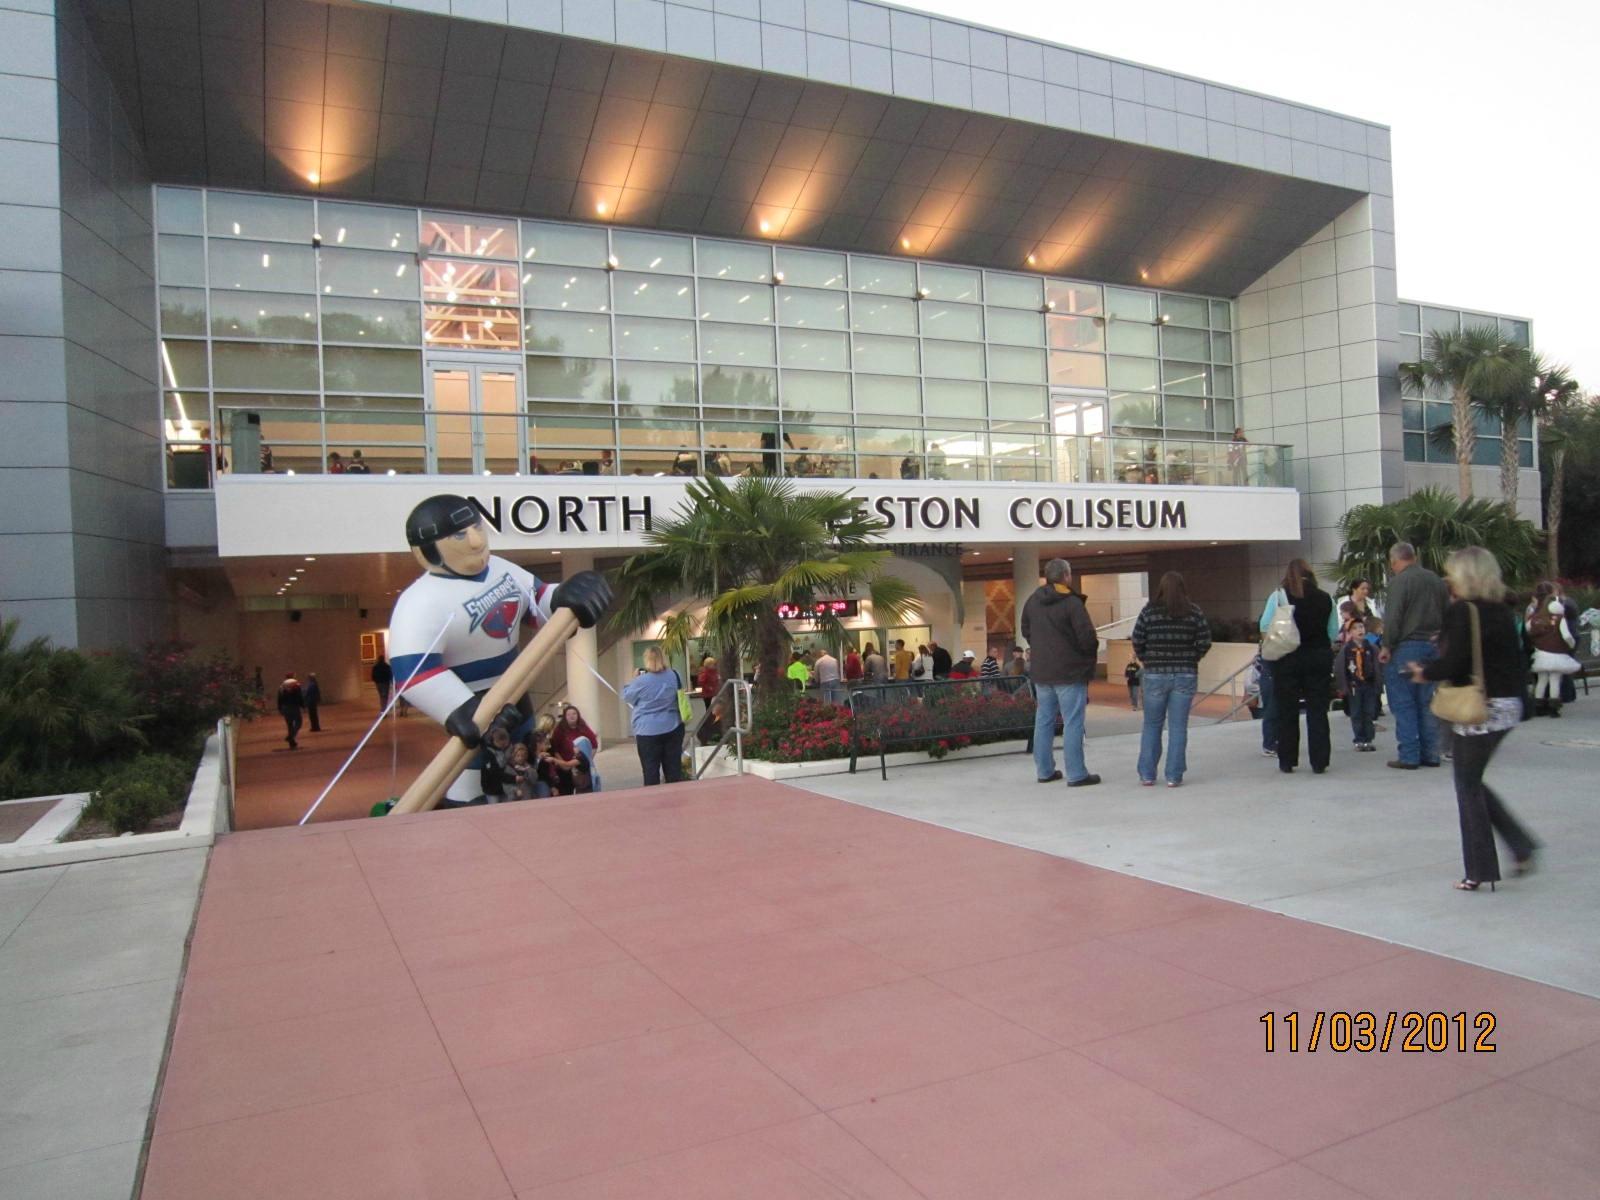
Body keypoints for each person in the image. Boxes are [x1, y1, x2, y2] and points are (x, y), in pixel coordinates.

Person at [388, 494, 611, 807]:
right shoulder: (419, 603)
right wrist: (463, 708)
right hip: (473, 701)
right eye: (459, 535)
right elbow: (413, 671)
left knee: (525, 754)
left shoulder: (500, 569)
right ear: (427, 549)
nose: (477, 541)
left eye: (477, 526)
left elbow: (537, 602)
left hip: (514, 691)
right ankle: (465, 807)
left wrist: (566, 596)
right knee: (476, 769)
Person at [1409, 546, 1538, 891]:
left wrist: (1424, 672)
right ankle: (1520, 845)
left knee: (1466, 785)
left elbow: (1456, 664)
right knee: (1473, 781)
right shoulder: (1500, 610)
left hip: (1479, 708)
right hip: (1508, 705)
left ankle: (1480, 870)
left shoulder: (1462, 611)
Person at [1022, 558, 1100, 787]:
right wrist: (1084, 655)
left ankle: (1044, 770)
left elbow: (1026, 629)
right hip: (1069, 671)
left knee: (1044, 721)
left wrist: (1041, 648)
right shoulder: (1072, 603)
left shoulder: (1033, 601)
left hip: (1042, 671)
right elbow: (1086, 637)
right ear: (1067, 575)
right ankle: (1076, 773)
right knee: (1073, 722)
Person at [1130, 571, 1212, 787]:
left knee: (1152, 725)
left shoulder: (1149, 611)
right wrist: (1192, 657)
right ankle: (1174, 775)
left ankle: (1147, 774)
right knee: (1178, 726)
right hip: (1185, 673)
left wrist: (1147, 659)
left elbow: (1137, 639)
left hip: (1155, 673)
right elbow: (1205, 640)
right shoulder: (1194, 612)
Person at [1259, 559, 1339, 774]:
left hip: (1287, 659)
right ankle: (1319, 761)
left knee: (1287, 710)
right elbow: (1332, 632)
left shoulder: (1278, 596)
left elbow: (1265, 625)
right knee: (1317, 711)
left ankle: (1287, 759)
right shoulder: (1326, 598)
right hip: (1318, 658)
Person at [1380, 541, 1450, 770]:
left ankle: (1409, 754)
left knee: (1404, 702)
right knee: (1427, 701)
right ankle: (1431, 753)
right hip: (1432, 645)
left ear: (1394, 561)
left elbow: (1393, 617)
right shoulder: (1435, 580)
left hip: (1406, 646)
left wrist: (1386, 645)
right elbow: (1447, 612)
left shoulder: (1399, 582)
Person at [623, 646, 685, 786]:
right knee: (673, 771)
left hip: (647, 730)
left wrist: (633, 679)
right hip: (672, 726)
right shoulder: (675, 675)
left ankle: (654, 803)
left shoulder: (641, 681)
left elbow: (627, 697)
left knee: (650, 771)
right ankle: (676, 801)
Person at [1526, 582, 1580, 716]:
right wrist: (1571, 644)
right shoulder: (1560, 619)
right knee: (1555, 679)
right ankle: (1554, 707)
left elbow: (1528, 629)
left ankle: (1538, 704)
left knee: (1542, 679)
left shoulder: (1536, 617)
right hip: (1557, 653)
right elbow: (1567, 636)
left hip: (1541, 653)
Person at [1336, 618, 1381, 751]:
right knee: (1356, 713)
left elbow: (1378, 666)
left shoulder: (1371, 648)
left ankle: (1368, 739)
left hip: (1369, 684)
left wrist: (1378, 683)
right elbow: (1340, 668)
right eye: (1355, 628)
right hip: (1354, 685)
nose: (1359, 630)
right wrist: (1343, 686)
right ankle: (1359, 739)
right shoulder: (1346, 649)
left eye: (1361, 627)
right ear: (1349, 633)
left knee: (1369, 712)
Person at [549, 704, 601, 794]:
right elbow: (555, 749)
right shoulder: (559, 730)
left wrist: (587, 760)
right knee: (566, 791)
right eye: (569, 714)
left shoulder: (583, 727)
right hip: (564, 766)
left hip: (579, 767)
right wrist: (563, 766)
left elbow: (594, 745)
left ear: (578, 715)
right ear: (565, 717)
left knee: (583, 790)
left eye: (574, 714)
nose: (572, 716)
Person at [276, 672, 303, 750]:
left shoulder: (281, 687)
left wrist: (280, 708)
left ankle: (292, 742)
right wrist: (302, 705)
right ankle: (291, 736)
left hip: (285, 707)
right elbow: (299, 696)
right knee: (299, 722)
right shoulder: (296, 685)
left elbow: (279, 698)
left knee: (289, 725)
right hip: (294, 707)